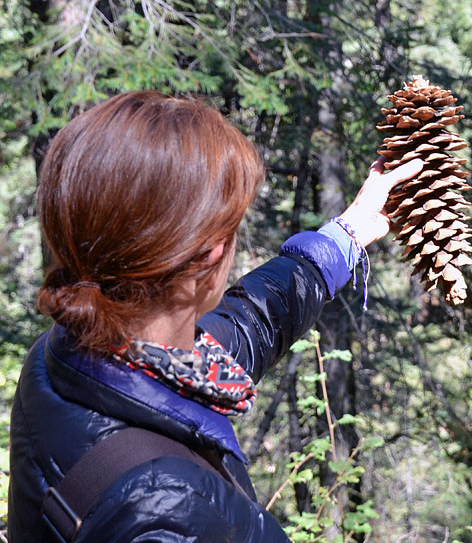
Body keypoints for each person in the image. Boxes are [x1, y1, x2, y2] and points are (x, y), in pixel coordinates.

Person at [7, 91, 422, 542]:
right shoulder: (166, 514)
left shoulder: (68, 353)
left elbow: (251, 322)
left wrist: (349, 233)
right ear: (211, 257)